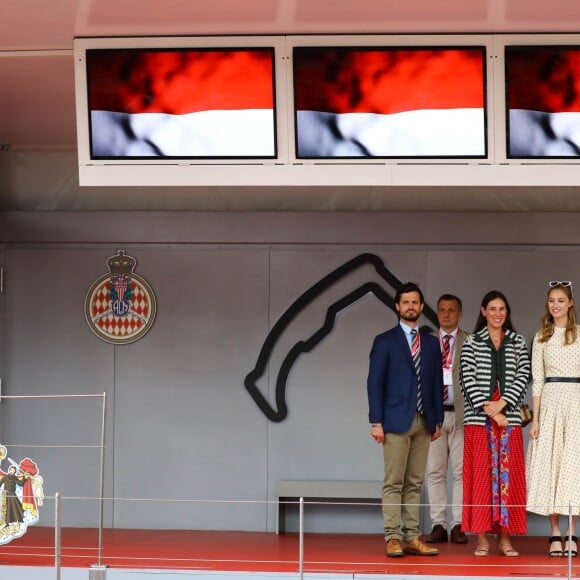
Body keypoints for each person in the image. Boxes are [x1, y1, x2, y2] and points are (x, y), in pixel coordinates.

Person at [367, 282, 444, 558]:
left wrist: (436, 421)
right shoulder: (384, 341)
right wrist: (376, 421)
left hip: (424, 422)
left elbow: (435, 384)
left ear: (422, 307)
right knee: (394, 482)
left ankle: (412, 536)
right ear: (397, 306)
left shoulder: (432, 343)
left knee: (415, 482)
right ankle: (393, 537)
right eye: (406, 302)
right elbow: (374, 383)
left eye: (415, 302)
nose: (411, 306)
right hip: (394, 421)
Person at [460, 290, 530, 557]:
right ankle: (481, 538)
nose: (497, 313)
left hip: (509, 420)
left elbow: (524, 375)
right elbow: (466, 379)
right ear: (483, 311)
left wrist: (503, 405)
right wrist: (491, 411)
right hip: (479, 421)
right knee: (480, 477)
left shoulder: (517, 341)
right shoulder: (472, 342)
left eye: (502, 309)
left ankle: (505, 537)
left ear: (507, 312)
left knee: (508, 479)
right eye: (492, 309)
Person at [527, 281, 580, 558]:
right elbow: (537, 380)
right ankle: (555, 532)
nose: (555, 305)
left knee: (572, 467)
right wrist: (536, 420)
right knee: (551, 465)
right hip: (550, 401)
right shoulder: (541, 337)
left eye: (560, 300)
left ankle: (572, 531)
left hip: (576, 401)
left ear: (570, 303)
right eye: (551, 300)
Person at [425, 294, 468, 544]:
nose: (446, 314)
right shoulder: (428, 341)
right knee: (435, 471)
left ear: (460, 313)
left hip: (461, 412)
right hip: (435, 413)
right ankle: (439, 524)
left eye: (452, 310)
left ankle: (458, 524)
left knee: (461, 472)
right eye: (442, 310)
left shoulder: (470, 341)